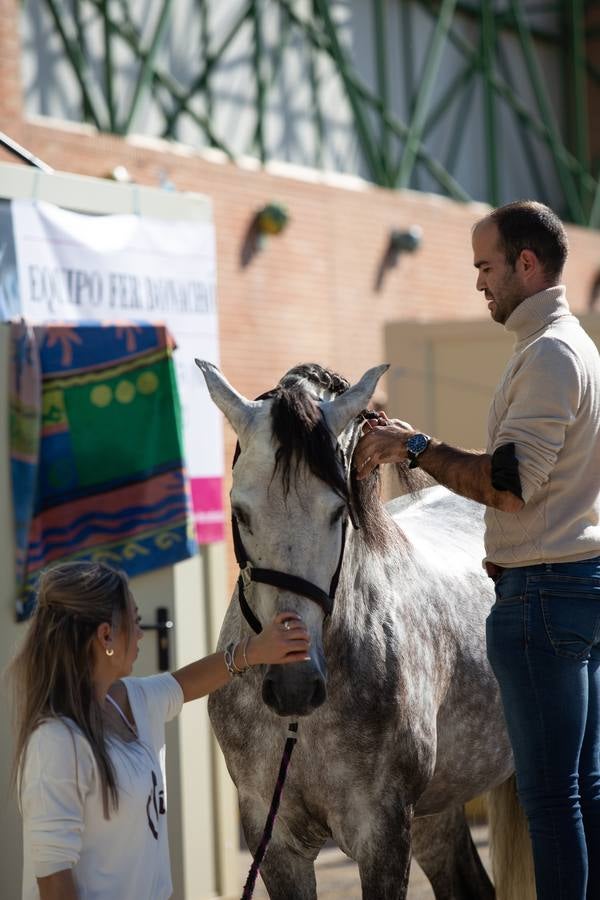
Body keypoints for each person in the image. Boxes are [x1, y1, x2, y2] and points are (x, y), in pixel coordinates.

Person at [353, 200, 600, 900]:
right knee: (581, 788)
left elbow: (509, 483)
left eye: (486, 267)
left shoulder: (550, 354)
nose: (479, 283)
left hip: (545, 598)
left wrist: (415, 448)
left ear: (527, 264)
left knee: (554, 801)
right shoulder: (567, 344)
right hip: (571, 588)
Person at [9, 560, 309, 900]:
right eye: (134, 622)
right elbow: (53, 881)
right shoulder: (55, 741)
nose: (140, 634)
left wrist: (254, 650)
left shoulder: (131, 700)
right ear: (106, 636)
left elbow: (183, 683)